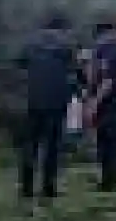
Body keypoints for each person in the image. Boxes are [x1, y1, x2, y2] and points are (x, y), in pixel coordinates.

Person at [16, 12, 77, 201]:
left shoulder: (30, 44)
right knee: (52, 147)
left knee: (30, 146)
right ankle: (48, 188)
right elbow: (74, 71)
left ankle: (26, 189)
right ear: (62, 28)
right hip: (56, 102)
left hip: (33, 101)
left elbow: (20, 65)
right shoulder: (66, 46)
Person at [86, 19, 116, 192]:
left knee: (107, 142)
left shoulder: (108, 52)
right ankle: (115, 178)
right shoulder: (110, 50)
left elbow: (107, 82)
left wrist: (93, 104)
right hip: (114, 101)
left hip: (108, 103)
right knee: (111, 141)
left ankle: (108, 182)